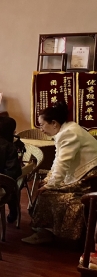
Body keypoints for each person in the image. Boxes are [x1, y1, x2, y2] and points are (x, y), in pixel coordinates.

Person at [23, 101, 97, 244]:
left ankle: (46, 232)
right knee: (45, 188)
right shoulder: (67, 129)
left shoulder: (68, 133)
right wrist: (49, 180)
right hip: (86, 174)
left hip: (90, 178)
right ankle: (44, 230)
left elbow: (62, 164)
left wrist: (51, 184)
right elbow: (58, 160)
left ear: (54, 123)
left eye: (42, 125)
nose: (41, 129)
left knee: (47, 194)